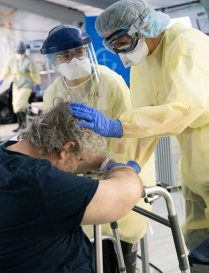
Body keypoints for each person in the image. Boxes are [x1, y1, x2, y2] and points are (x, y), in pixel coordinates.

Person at [70, 0, 209, 272]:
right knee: (200, 233)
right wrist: (131, 165)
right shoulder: (143, 63)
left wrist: (116, 126)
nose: (121, 53)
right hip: (196, 153)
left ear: (145, 28)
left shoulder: (187, 45)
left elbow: (183, 108)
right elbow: (147, 118)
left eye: (123, 41)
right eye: (113, 46)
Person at [0, 100, 143, 273]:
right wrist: (123, 170)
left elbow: (61, 161)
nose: (77, 166)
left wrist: (101, 162)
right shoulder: (41, 182)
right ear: (66, 148)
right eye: (79, 158)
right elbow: (123, 197)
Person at [41, 25, 156, 273]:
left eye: (79, 51)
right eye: (65, 56)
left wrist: (123, 169)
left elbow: (133, 133)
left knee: (119, 253)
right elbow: (52, 141)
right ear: (55, 61)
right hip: (78, 177)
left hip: (119, 171)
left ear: (88, 50)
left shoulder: (111, 83)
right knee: (86, 252)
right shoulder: (52, 93)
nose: (73, 60)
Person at [0, 41, 41, 132]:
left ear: (24, 51)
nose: (20, 54)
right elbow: (6, 70)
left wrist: (37, 83)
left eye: (21, 52)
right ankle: (20, 125)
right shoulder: (12, 60)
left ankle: (25, 126)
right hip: (16, 85)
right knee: (15, 106)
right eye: (19, 52)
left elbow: (34, 73)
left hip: (26, 85)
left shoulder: (28, 60)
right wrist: (1, 79)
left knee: (21, 105)